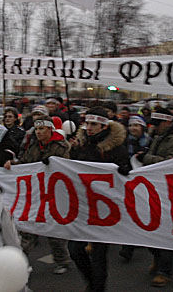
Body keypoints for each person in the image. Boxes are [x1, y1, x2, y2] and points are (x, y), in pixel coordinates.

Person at [68, 106, 130, 292]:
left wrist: (124, 169)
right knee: (75, 249)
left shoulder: (116, 148)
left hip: (105, 209)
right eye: (87, 123)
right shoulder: (82, 143)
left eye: (93, 124)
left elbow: (123, 173)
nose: (89, 127)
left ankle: (97, 288)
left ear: (103, 126)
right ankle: (92, 282)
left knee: (99, 254)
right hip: (83, 206)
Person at [136, 107, 173, 287]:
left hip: (170, 190)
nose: (155, 127)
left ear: (168, 122)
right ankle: (158, 259)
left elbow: (172, 163)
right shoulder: (159, 137)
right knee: (151, 229)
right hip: (156, 187)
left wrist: (147, 158)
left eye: (159, 124)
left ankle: (164, 271)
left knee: (165, 232)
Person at [18, 116, 72, 275]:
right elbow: (25, 162)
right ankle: (20, 263)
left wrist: (54, 163)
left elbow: (65, 167)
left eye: (42, 129)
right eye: (37, 129)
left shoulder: (61, 147)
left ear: (50, 129)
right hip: (36, 193)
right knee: (28, 229)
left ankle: (62, 260)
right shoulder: (33, 145)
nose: (39, 132)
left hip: (54, 194)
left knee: (54, 232)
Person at [118, 115, 152, 261]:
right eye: (131, 126)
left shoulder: (150, 142)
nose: (133, 128)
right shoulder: (126, 142)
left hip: (146, 182)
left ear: (142, 127)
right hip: (129, 179)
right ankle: (128, 247)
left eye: (136, 126)